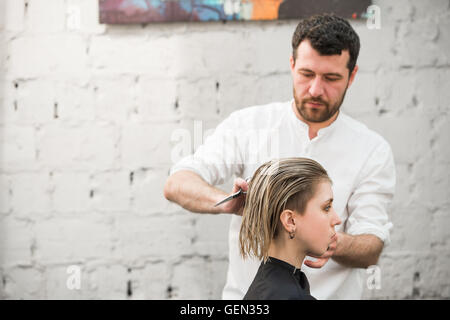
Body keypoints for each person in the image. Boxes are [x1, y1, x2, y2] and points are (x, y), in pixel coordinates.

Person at [164, 14, 396, 299]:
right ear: (291, 65)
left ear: (352, 75)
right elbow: (177, 183)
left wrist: (329, 241)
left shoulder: (372, 149)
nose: (315, 89)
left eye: (331, 78)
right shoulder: (248, 125)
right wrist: (227, 204)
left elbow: (371, 247)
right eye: (306, 74)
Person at [240, 157, 342, 300]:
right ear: (290, 221)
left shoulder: (263, 286)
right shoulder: (292, 296)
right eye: (326, 208)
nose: (337, 220)